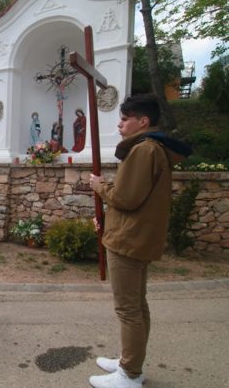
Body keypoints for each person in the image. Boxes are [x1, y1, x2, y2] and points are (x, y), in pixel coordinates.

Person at [89, 94, 191, 388]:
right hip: (135, 236)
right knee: (137, 305)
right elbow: (139, 201)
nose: (120, 124)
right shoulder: (154, 149)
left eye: (125, 119)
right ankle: (129, 361)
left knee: (128, 309)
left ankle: (130, 374)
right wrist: (108, 220)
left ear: (143, 121)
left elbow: (126, 198)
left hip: (127, 242)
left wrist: (100, 186)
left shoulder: (144, 150)